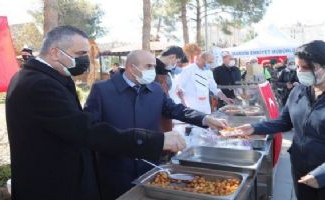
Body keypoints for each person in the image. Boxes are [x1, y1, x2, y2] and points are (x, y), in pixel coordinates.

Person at [5, 26, 186, 200]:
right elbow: (85, 129)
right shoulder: (39, 84)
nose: (85, 60)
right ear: (54, 52)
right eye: (80, 54)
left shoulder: (44, 77)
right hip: (51, 185)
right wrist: (155, 140)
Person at [84, 49, 228, 199]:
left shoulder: (156, 89)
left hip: (149, 165)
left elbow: (176, 109)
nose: (153, 71)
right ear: (132, 67)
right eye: (148, 66)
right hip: (115, 168)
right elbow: (91, 129)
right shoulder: (102, 90)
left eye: (153, 66)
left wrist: (205, 119)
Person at [234, 40, 325, 200]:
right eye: (298, 66)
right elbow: (284, 121)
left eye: (306, 67)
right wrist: (255, 128)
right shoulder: (299, 90)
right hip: (300, 169)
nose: (300, 71)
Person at [154, 46, 189, 132]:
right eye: (176, 61)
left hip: (166, 111)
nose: (175, 64)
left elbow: (165, 94)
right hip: (155, 116)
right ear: (172, 56)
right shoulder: (151, 68)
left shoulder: (165, 70)